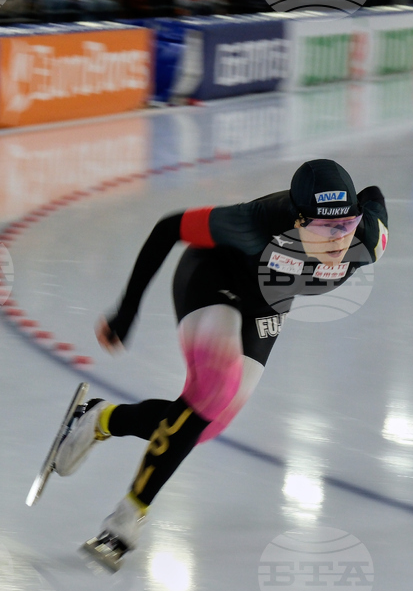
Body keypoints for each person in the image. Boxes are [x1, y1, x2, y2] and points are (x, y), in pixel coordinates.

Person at [52, 159, 388, 569]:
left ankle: (101, 419)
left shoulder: (366, 240)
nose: (338, 242)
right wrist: (127, 309)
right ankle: (127, 517)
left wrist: (357, 214)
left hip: (268, 303)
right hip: (212, 278)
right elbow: (169, 228)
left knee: (203, 425)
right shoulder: (255, 223)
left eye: (345, 226)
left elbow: (373, 198)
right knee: (215, 389)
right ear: (297, 221)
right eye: (323, 229)